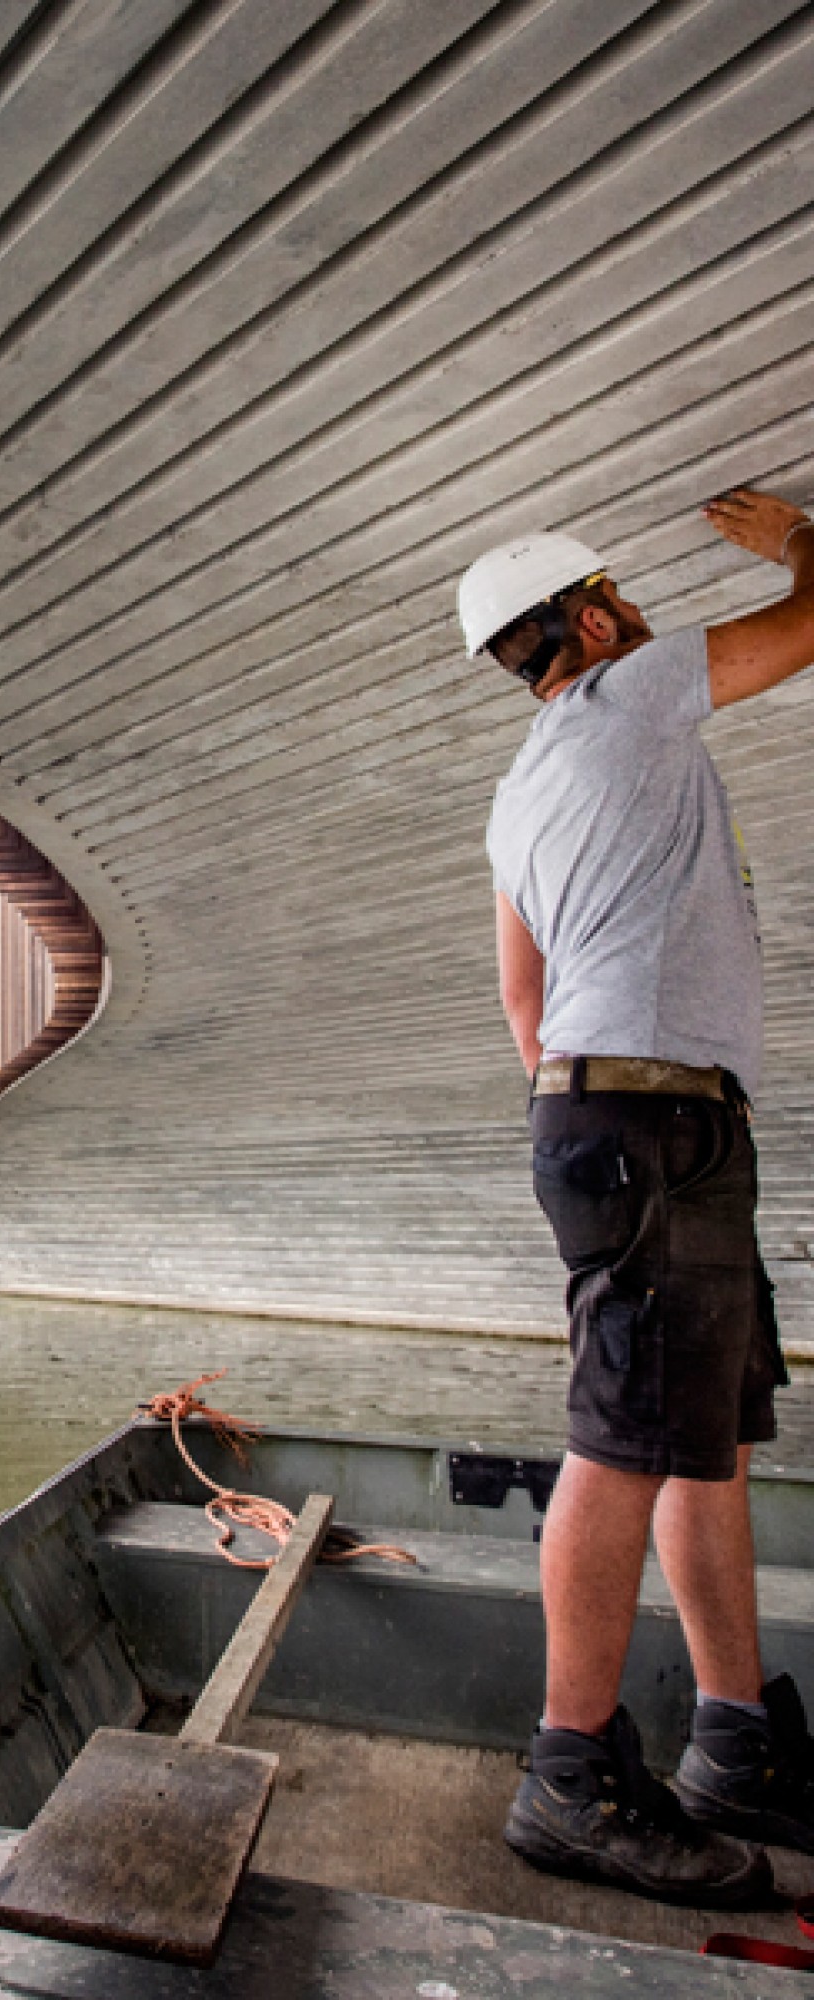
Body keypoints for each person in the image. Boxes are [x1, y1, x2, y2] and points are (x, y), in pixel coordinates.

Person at [464, 488, 814, 1905]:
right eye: (624, 599)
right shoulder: (629, 694)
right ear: (594, 620)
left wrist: (586, 1103)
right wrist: (800, 539)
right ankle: (571, 1778)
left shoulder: (517, 794)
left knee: (703, 1435)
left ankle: (732, 1746)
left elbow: (521, 998)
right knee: (624, 1440)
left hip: (638, 1115)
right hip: (649, 1124)